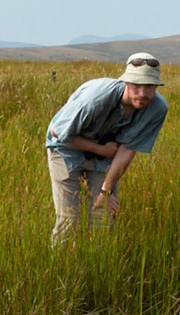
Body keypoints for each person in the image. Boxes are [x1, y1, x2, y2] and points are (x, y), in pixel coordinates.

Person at [43, 52, 168, 242]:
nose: (142, 94)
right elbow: (57, 132)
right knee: (70, 220)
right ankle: (60, 267)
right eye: (136, 85)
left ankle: (97, 267)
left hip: (104, 156)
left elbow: (127, 150)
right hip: (65, 149)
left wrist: (105, 191)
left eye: (149, 86)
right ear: (126, 82)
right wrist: (101, 150)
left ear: (157, 86)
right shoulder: (96, 99)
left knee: (103, 218)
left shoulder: (157, 108)